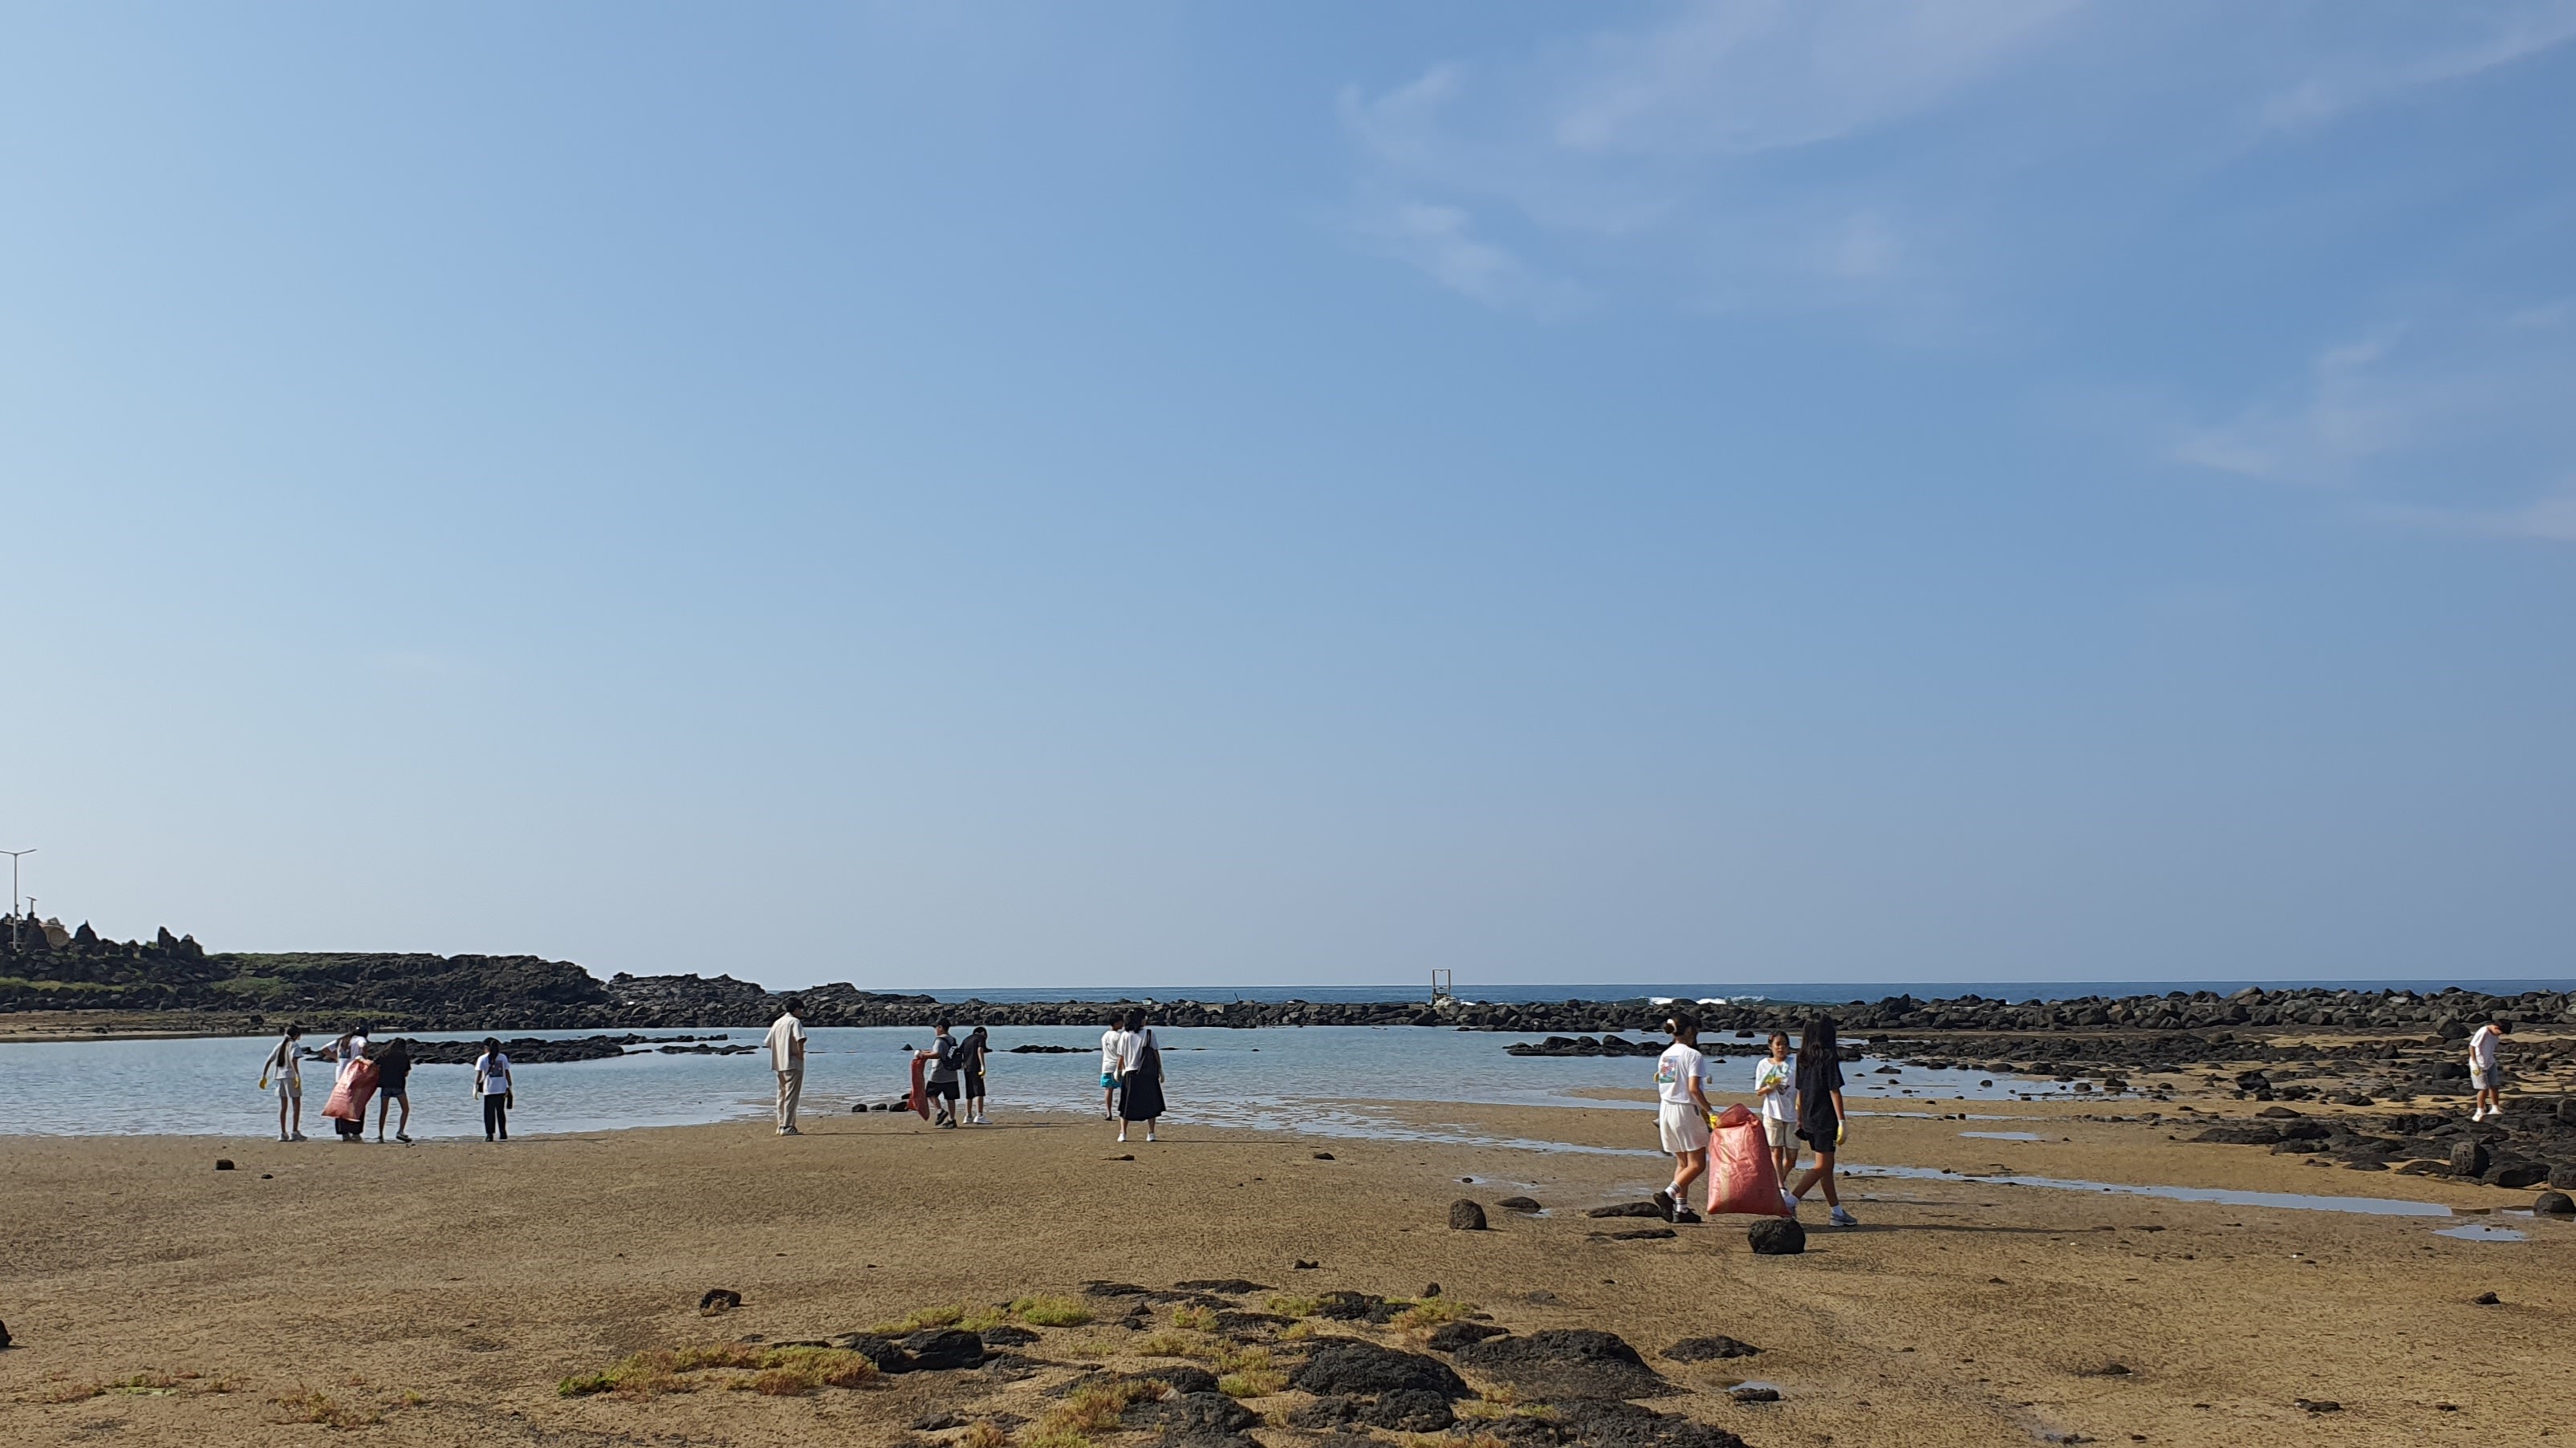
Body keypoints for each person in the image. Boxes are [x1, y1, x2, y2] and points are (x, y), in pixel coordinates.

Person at [1787, 1016, 1856, 1227]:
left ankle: (1836, 1212)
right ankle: (1790, 1200)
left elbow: (1799, 1091)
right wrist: (1842, 1120)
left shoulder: (1802, 1057)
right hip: (1825, 1119)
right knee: (1822, 1165)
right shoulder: (1828, 1056)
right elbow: (1834, 1090)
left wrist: (1800, 1118)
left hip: (1809, 1116)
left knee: (1827, 1166)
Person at [1652, 1012, 1713, 1224]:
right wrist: (1711, 1112)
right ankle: (1669, 1194)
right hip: (1686, 1110)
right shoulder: (1693, 1055)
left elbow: (1667, 1082)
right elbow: (1694, 1089)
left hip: (1666, 1108)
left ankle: (1682, 1208)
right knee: (1697, 1164)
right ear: (1688, 1031)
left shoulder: (1667, 1055)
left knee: (1682, 1162)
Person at [1753, 1031, 1798, 1194]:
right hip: (1772, 1113)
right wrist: (1770, 1087)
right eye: (1778, 1044)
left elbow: (1802, 1086)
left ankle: (1777, 1180)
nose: (1781, 1048)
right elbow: (1759, 1091)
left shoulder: (1794, 1063)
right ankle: (1780, 1186)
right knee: (1776, 1150)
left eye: (1784, 1044)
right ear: (1771, 1046)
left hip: (1793, 1114)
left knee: (1792, 1156)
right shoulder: (1764, 1064)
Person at [1114, 1008, 1164, 1143]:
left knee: (1127, 1104)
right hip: (1148, 1073)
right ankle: (1151, 1133)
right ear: (1140, 1019)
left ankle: (1123, 1133)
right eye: (1144, 1018)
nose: (1146, 1020)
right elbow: (1155, 1053)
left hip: (1130, 1073)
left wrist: (1118, 1071)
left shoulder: (1125, 1035)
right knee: (1151, 1103)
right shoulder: (1149, 1034)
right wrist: (1160, 1070)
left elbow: (1121, 1056)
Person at [765, 998, 807, 1136]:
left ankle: (781, 1125)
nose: (802, 1012)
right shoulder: (794, 1021)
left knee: (781, 1095)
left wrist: (780, 1052)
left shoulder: (778, 1022)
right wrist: (800, 1055)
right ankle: (788, 1126)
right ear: (795, 1009)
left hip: (779, 1063)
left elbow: (768, 1042)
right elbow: (800, 1038)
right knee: (791, 1096)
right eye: (800, 1009)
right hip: (793, 1063)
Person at [261, 1024, 308, 1142]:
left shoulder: (279, 1045)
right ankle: (295, 1132)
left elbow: (269, 1060)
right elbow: (293, 1059)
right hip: (290, 1076)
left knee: (284, 1106)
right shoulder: (294, 1045)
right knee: (296, 1104)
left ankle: (283, 1133)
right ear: (297, 1035)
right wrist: (297, 1075)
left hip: (280, 1077)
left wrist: (264, 1076)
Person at [915, 1020, 963, 1128]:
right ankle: (952, 1119)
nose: (935, 1030)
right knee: (951, 1098)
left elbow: (937, 1054)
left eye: (936, 1028)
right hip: (952, 1073)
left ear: (940, 1027)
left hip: (939, 1072)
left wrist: (923, 1056)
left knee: (930, 1094)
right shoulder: (952, 1040)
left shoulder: (939, 1040)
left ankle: (940, 1111)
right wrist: (927, 1052)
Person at [372, 1037, 414, 1144]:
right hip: (398, 1086)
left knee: (384, 1111)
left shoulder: (384, 1055)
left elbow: (374, 1064)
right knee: (405, 1109)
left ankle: (381, 1134)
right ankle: (400, 1131)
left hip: (385, 1086)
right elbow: (406, 1073)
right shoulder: (404, 1057)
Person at [473, 1037, 514, 1142]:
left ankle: (489, 1135)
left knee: (489, 1113)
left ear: (487, 1048)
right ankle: (503, 1132)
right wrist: (509, 1085)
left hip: (489, 1089)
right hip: (501, 1088)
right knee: (500, 1112)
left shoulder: (482, 1058)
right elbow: (507, 1072)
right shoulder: (503, 1057)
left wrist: (475, 1087)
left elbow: (479, 1074)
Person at [2469, 1018, 2510, 1120]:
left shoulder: (2495, 1035)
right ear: (2496, 1027)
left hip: (2490, 1062)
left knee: (2494, 1086)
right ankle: (2479, 1111)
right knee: (2483, 1089)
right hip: (2479, 1064)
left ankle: (2495, 1108)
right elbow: (2472, 1046)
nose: (2500, 1035)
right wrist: (2474, 1063)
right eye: (2500, 1032)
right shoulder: (2484, 1032)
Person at [959, 1026, 991, 1125]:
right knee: (979, 1092)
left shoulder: (966, 1039)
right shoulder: (980, 1038)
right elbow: (980, 1050)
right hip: (975, 1067)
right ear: (983, 1033)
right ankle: (980, 1115)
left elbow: (960, 1051)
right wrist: (983, 1066)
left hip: (966, 1067)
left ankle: (968, 1116)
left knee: (969, 1093)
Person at [1099, 1012, 1124, 1121]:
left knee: (1108, 1089)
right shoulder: (1119, 1036)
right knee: (1125, 1089)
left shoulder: (1105, 1035)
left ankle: (1109, 1112)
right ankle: (1124, 1110)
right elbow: (1122, 1053)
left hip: (1107, 1065)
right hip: (1117, 1065)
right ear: (1117, 1023)